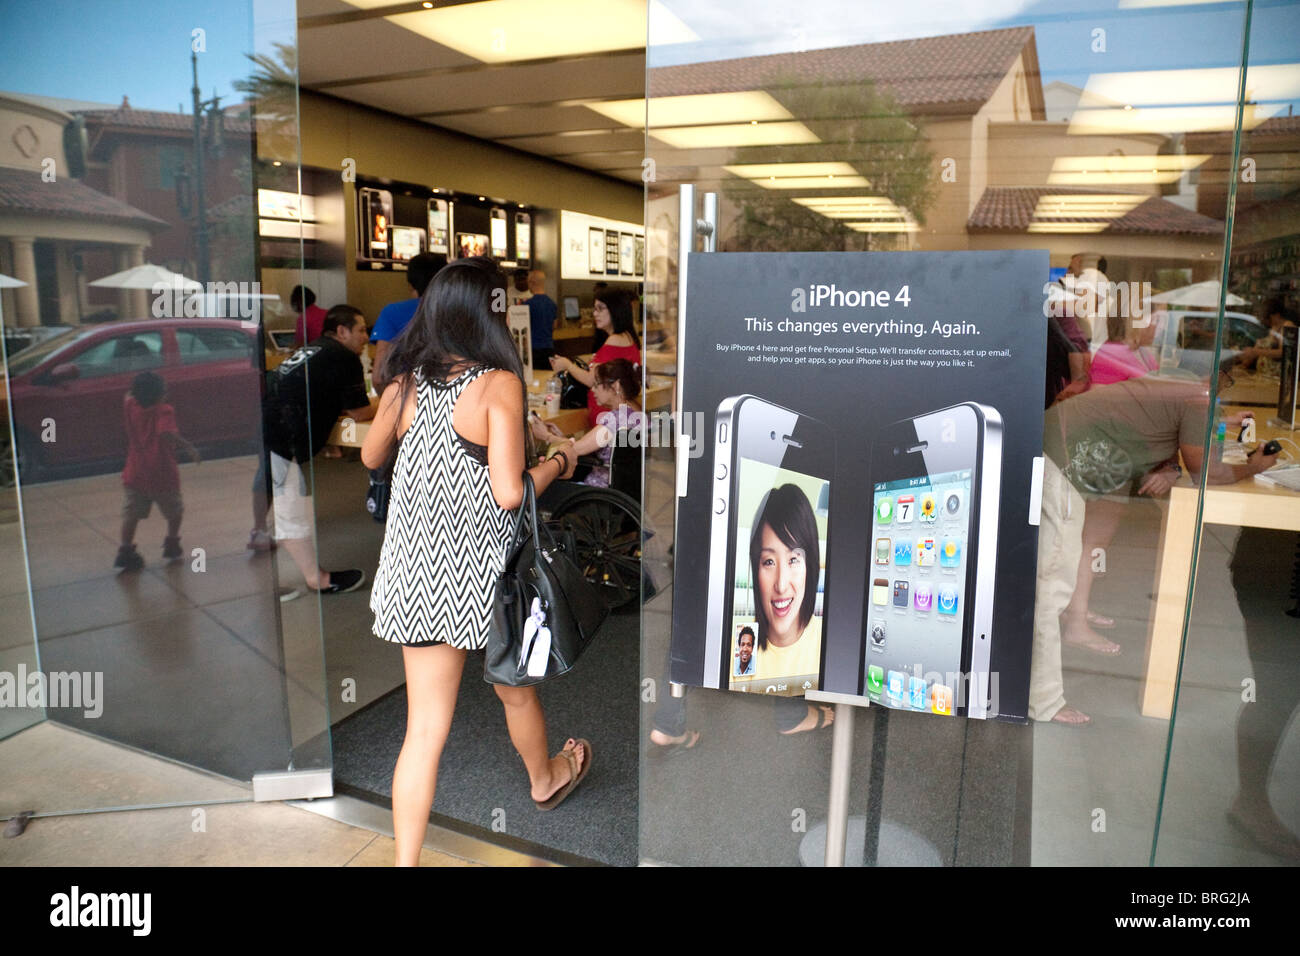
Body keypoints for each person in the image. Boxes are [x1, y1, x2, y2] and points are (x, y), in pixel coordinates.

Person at [361, 256, 589, 866]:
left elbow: (370, 456)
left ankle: (405, 864)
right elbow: (509, 493)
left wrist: (394, 401)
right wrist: (564, 460)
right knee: (515, 692)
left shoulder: (405, 380)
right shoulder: (497, 383)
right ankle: (546, 778)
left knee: (423, 732)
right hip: (477, 574)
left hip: (413, 573)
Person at [1031, 362, 1278, 725]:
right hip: (1063, 457)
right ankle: (1043, 700)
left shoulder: (1181, 385)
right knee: (1051, 583)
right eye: (1231, 377)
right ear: (1221, 375)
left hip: (1071, 446)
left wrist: (1196, 446)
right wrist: (1255, 466)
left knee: (1061, 567)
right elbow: (1207, 471)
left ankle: (1071, 631)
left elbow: (1162, 433)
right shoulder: (1198, 399)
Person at [252, 305, 376, 595]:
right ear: (341, 331)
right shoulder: (344, 357)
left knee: (271, 485)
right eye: (360, 330)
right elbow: (359, 412)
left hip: (264, 426)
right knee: (291, 503)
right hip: (283, 437)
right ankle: (316, 579)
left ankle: (257, 535)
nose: (365, 337)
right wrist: (392, 401)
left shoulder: (314, 350)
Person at [115, 371, 200, 571]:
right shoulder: (164, 411)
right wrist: (189, 447)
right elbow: (166, 433)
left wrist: (137, 389)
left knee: (131, 514)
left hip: (135, 471)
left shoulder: (130, 406)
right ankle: (171, 542)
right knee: (175, 511)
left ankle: (125, 550)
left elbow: (127, 395)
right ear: (159, 395)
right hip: (162, 472)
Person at [746, 484, 823, 687]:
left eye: (793, 560)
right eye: (769, 562)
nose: (781, 584)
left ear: (810, 566)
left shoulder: (830, 646)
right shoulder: (738, 644)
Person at [530, 357, 643, 489]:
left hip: (596, 491)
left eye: (596, 385)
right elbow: (582, 446)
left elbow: (573, 451)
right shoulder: (637, 413)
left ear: (616, 386)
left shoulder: (615, 420)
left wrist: (546, 436)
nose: (592, 390)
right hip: (628, 491)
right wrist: (560, 438)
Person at [550, 288, 641, 427]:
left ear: (615, 310)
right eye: (594, 309)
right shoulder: (628, 337)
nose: (595, 314)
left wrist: (567, 365)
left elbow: (591, 379)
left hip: (606, 417)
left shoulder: (615, 340)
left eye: (600, 309)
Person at [371, 253, 447, 392]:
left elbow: (379, 377)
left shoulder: (392, 313)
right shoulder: (461, 314)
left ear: (410, 284)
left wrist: (392, 407)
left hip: (405, 400)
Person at [526, 269, 557, 371]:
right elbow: (554, 326)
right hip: (549, 349)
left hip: (533, 351)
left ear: (532, 282)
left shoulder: (527, 305)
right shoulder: (552, 304)